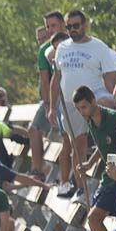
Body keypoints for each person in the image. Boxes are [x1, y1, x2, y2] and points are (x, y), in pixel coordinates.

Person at [50, 10, 116, 198]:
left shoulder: (98, 47)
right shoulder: (62, 48)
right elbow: (56, 78)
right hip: (70, 103)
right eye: (69, 27)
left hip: (93, 99)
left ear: (84, 25)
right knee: (77, 145)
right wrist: (52, 106)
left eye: (76, 25)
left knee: (105, 138)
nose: (73, 29)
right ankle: (81, 188)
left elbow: (110, 77)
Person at [73, 86, 116, 231]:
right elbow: (102, 145)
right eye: (78, 109)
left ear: (93, 101)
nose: (82, 112)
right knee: (93, 219)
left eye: (84, 107)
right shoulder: (91, 122)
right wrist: (90, 163)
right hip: (110, 177)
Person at [31, 11, 66, 179]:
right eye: (48, 27)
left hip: (73, 95)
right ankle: (38, 171)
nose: (50, 29)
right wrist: (47, 105)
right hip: (54, 97)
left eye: (53, 25)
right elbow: (44, 80)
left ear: (62, 24)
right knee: (34, 128)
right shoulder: (44, 49)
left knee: (67, 137)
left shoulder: (73, 42)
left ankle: (64, 176)